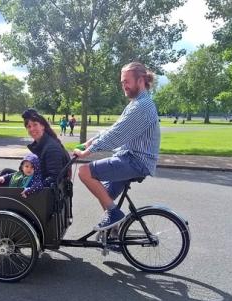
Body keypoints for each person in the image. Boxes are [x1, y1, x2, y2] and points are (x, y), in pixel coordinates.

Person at [73, 62, 160, 231]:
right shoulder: (137, 103)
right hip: (130, 157)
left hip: (136, 161)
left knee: (84, 172)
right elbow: (115, 128)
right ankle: (113, 234)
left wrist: (87, 152)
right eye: (122, 82)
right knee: (106, 194)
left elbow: (117, 135)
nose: (124, 86)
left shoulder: (142, 106)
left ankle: (114, 215)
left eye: (127, 81)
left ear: (141, 80)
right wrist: (89, 142)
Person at [22, 108, 70, 187]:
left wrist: (34, 186)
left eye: (35, 124)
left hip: (46, 192)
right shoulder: (41, 145)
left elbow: (54, 178)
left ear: (42, 126)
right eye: (28, 126)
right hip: (40, 181)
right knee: (5, 173)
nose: (32, 129)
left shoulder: (51, 148)